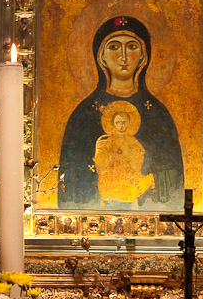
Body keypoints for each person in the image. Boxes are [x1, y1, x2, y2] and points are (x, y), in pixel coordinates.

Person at [58, 16, 184, 209]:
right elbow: (69, 177)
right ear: (101, 56)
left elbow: (174, 176)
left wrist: (148, 177)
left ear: (143, 55)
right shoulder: (83, 114)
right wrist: (98, 159)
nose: (123, 57)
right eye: (114, 47)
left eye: (132, 47)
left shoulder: (158, 114)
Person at [94, 102, 155, 205]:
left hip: (129, 175)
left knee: (144, 182)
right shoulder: (108, 141)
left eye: (124, 122)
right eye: (118, 122)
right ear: (113, 123)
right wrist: (98, 151)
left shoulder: (133, 142)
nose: (121, 126)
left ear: (129, 123)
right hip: (112, 176)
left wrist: (127, 164)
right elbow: (101, 166)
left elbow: (138, 160)